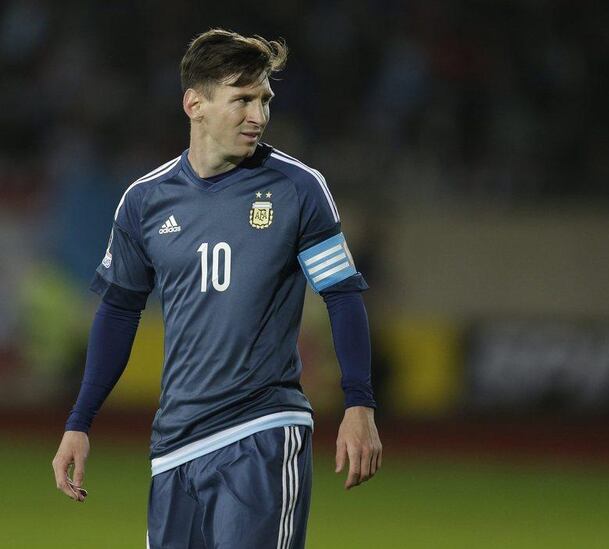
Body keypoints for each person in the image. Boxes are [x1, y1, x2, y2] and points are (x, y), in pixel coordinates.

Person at [51, 28, 382, 548]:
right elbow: (118, 313)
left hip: (264, 432)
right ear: (195, 103)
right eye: (242, 99)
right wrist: (80, 421)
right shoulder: (144, 202)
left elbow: (341, 294)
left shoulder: (298, 189)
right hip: (175, 446)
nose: (259, 116)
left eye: (265, 99)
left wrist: (359, 404)